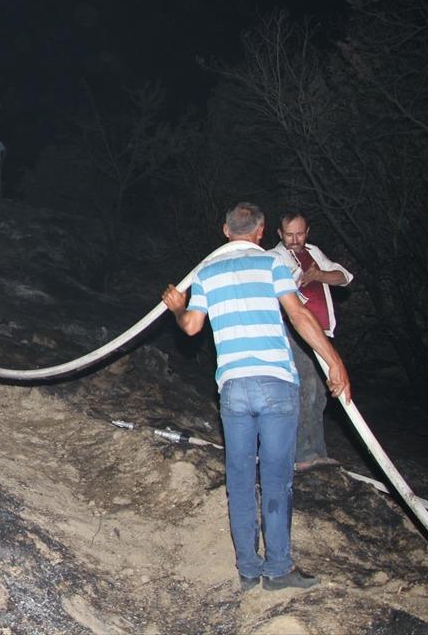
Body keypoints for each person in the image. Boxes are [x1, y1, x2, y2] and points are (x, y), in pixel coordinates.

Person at [161, 202, 351, 593]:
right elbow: (299, 316)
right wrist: (335, 363)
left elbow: (192, 327)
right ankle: (278, 571)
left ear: (226, 232)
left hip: (233, 387)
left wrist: (179, 309)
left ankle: (249, 571)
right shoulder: (272, 265)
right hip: (276, 382)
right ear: (262, 232)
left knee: (241, 480)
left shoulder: (208, 272)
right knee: (277, 480)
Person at [269, 211, 354, 472]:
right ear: (280, 234)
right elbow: (287, 286)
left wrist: (318, 275)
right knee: (307, 386)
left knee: (319, 394)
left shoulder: (314, 251)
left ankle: (314, 452)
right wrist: (304, 276)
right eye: (289, 234)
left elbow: (343, 277)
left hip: (322, 332)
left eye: (300, 234)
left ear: (307, 232)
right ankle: (305, 455)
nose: (295, 240)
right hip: (294, 330)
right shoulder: (274, 257)